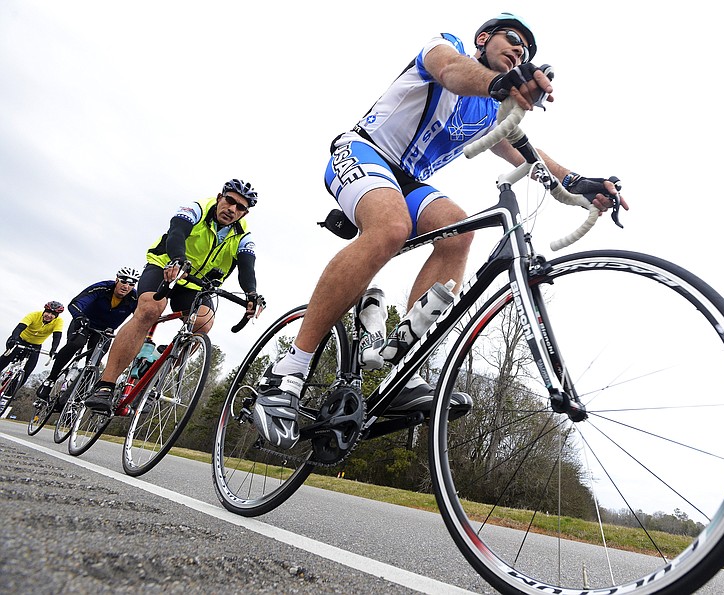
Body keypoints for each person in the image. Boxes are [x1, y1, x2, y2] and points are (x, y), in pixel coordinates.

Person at [251, 12, 630, 449]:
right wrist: (499, 83)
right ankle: (288, 372)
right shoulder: (444, 46)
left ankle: (404, 370)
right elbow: (450, 71)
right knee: (392, 226)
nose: (520, 51)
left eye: (526, 51)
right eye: (513, 40)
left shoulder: (490, 109)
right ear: (484, 39)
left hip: (408, 181)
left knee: (459, 231)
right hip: (363, 151)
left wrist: (578, 182)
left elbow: (529, 155)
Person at [85, 179, 264, 414]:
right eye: (230, 200)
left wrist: (251, 293)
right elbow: (177, 232)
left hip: (196, 283)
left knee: (203, 324)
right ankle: (105, 385)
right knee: (150, 310)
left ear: (245, 213)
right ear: (220, 196)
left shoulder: (244, 235)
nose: (232, 209)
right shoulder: (197, 208)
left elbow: (247, 267)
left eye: (240, 207)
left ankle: (154, 378)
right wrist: (177, 259)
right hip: (167, 265)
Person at [35, 267, 140, 404]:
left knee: (94, 363)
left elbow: (140, 318)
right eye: (124, 281)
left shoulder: (133, 298)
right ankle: (50, 379)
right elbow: (75, 303)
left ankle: (75, 399)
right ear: (116, 280)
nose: (126, 286)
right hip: (84, 323)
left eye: (131, 284)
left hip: (105, 331)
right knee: (76, 343)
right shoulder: (102, 288)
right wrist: (80, 317)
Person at [0, 301, 65, 389]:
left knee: (28, 370)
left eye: (53, 314)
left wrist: (53, 349)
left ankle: (8, 395)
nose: (49, 315)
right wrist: (14, 339)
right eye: (48, 312)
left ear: (56, 316)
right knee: (6, 359)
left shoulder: (59, 322)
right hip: (20, 339)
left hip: (36, 345)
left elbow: (57, 337)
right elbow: (19, 327)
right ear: (44, 311)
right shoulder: (34, 315)